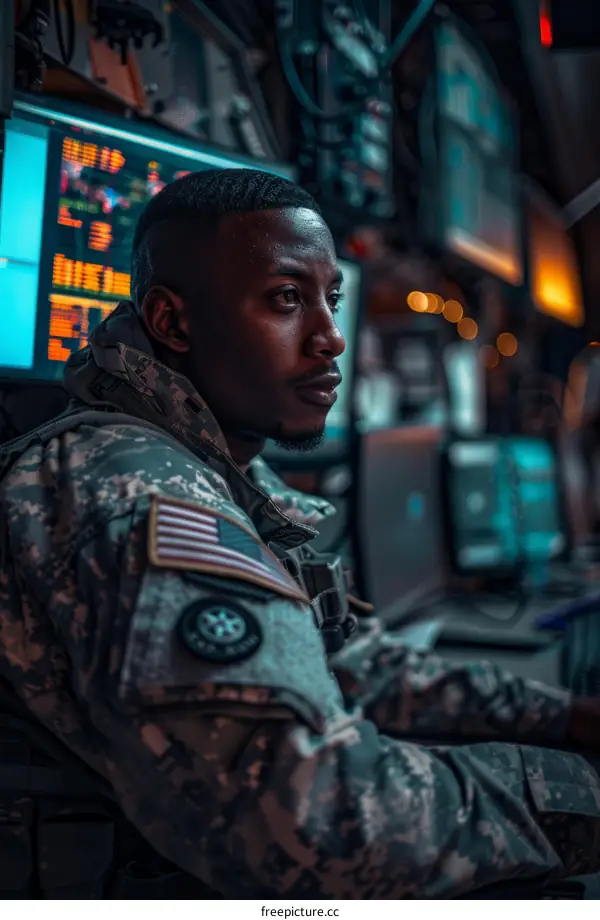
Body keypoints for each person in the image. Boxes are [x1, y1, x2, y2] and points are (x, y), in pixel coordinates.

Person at [1, 169, 600, 899]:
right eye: (287, 298)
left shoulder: (215, 466)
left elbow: (355, 667)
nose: (331, 338)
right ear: (172, 323)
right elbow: (315, 820)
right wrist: (580, 794)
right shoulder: (138, 488)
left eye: (331, 300)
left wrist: (568, 717)